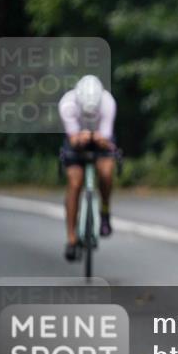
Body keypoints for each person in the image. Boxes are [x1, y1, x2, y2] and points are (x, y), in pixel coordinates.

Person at [57, 75, 117, 262]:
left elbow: (106, 136)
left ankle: (105, 211)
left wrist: (98, 139)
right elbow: (73, 137)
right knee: (75, 182)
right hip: (76, 142)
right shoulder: (67, 103)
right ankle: (72, 238)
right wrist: (80, 138)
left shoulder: (107, 102)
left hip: (101, 141)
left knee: (106, 172)